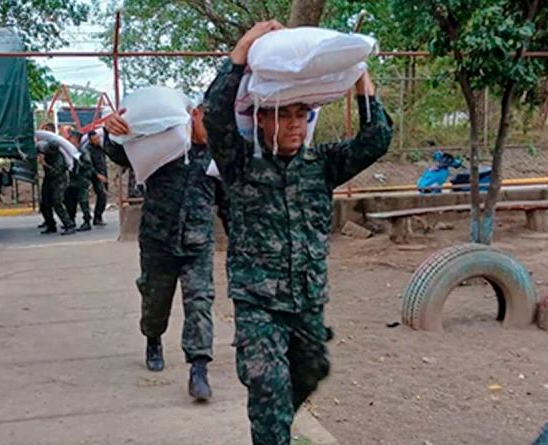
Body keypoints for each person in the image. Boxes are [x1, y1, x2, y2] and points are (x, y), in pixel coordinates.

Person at [203, 21, 394, 445]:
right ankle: (272, 429)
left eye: (300, 115)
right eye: (283, 114)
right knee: (267, 385)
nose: (294, 124)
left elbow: (376, 138)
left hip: (307, 297)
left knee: (312, 369)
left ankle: (276, 425)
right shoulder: (240, 167)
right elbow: (215, 117)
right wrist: (240, 53)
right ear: (263, 120)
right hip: (259, 305)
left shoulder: (320, 165)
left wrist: (357, 72)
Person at [103, 100, 226, 401]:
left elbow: (227, 201)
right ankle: (153, 337)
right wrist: (111, 132)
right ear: (193, 116)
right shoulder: (165, 146)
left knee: (200, 300)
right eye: (205, 119)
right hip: (158, 241)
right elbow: (122, 153)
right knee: (155, 301)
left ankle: (199, 367)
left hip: (197, 243)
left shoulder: (218, 158)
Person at [38, 124, 76, 236]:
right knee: (45, 204)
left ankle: (69, 225)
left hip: (59, 181)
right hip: (49, 181)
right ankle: (51, 225)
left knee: (57, 203)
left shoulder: (59, 158)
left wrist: (44, 164)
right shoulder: (48, 152)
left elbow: (56, 172)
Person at [63, 131, 94, 232]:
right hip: (72, 180)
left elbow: (88, 165)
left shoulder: (82, 151)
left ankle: (87, 221)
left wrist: (78, 164)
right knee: (70, 201)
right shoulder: (70, 150)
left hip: (81, 180)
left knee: (83, 201)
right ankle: (71, 220)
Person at [86, 131, 109, 226]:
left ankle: (99, 216)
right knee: (102, 195)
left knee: (104, 196)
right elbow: (89, 165)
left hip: (104, 173)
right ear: (90, 141)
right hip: (96, 176)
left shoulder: (101, 147)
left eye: (98, 138)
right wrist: (98, 175)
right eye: (95, 140)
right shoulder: (88, 150)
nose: (97, 141)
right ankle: (97, 217)